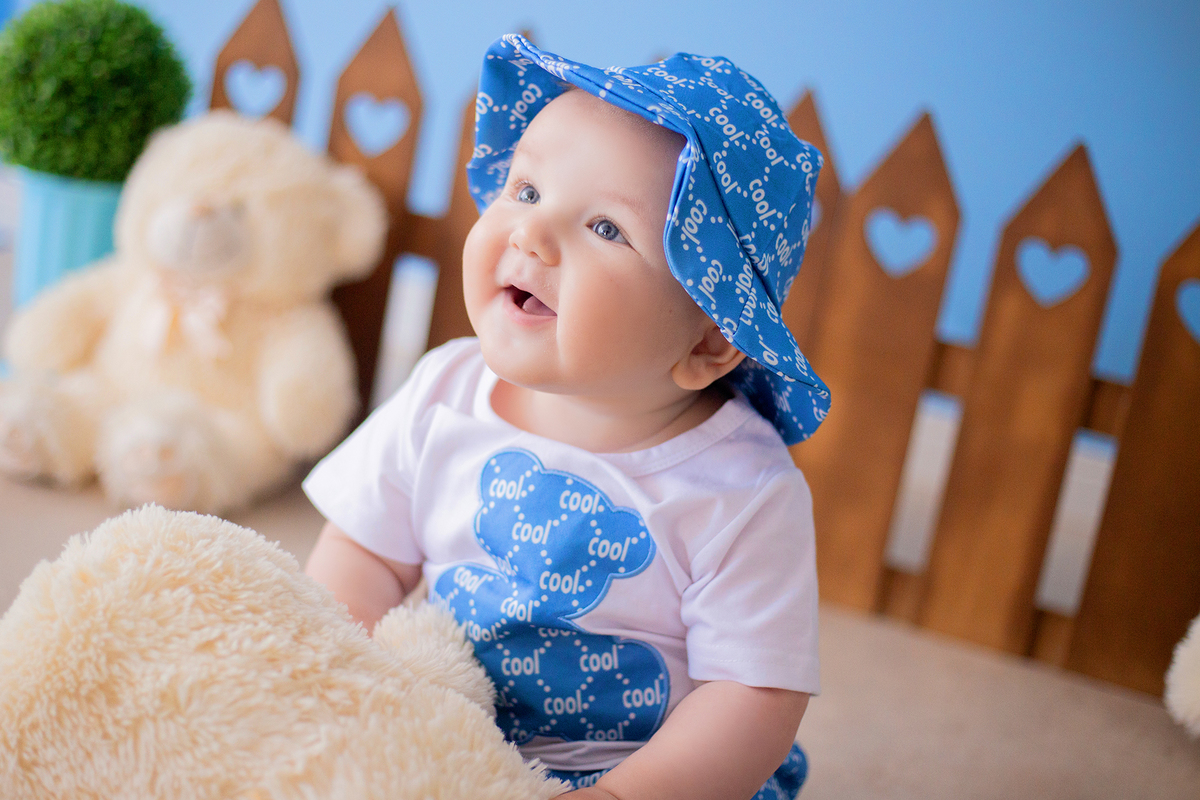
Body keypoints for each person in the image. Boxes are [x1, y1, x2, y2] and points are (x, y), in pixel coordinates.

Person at [302, 34, 830, 800]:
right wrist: (330, 688)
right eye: (525, 190)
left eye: (607, 229)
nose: (530, 233)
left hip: (655, 777)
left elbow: (752, 698)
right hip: (454, 740)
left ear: (711, 340)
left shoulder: (742, 489)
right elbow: (364, 558)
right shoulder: (445, 392)